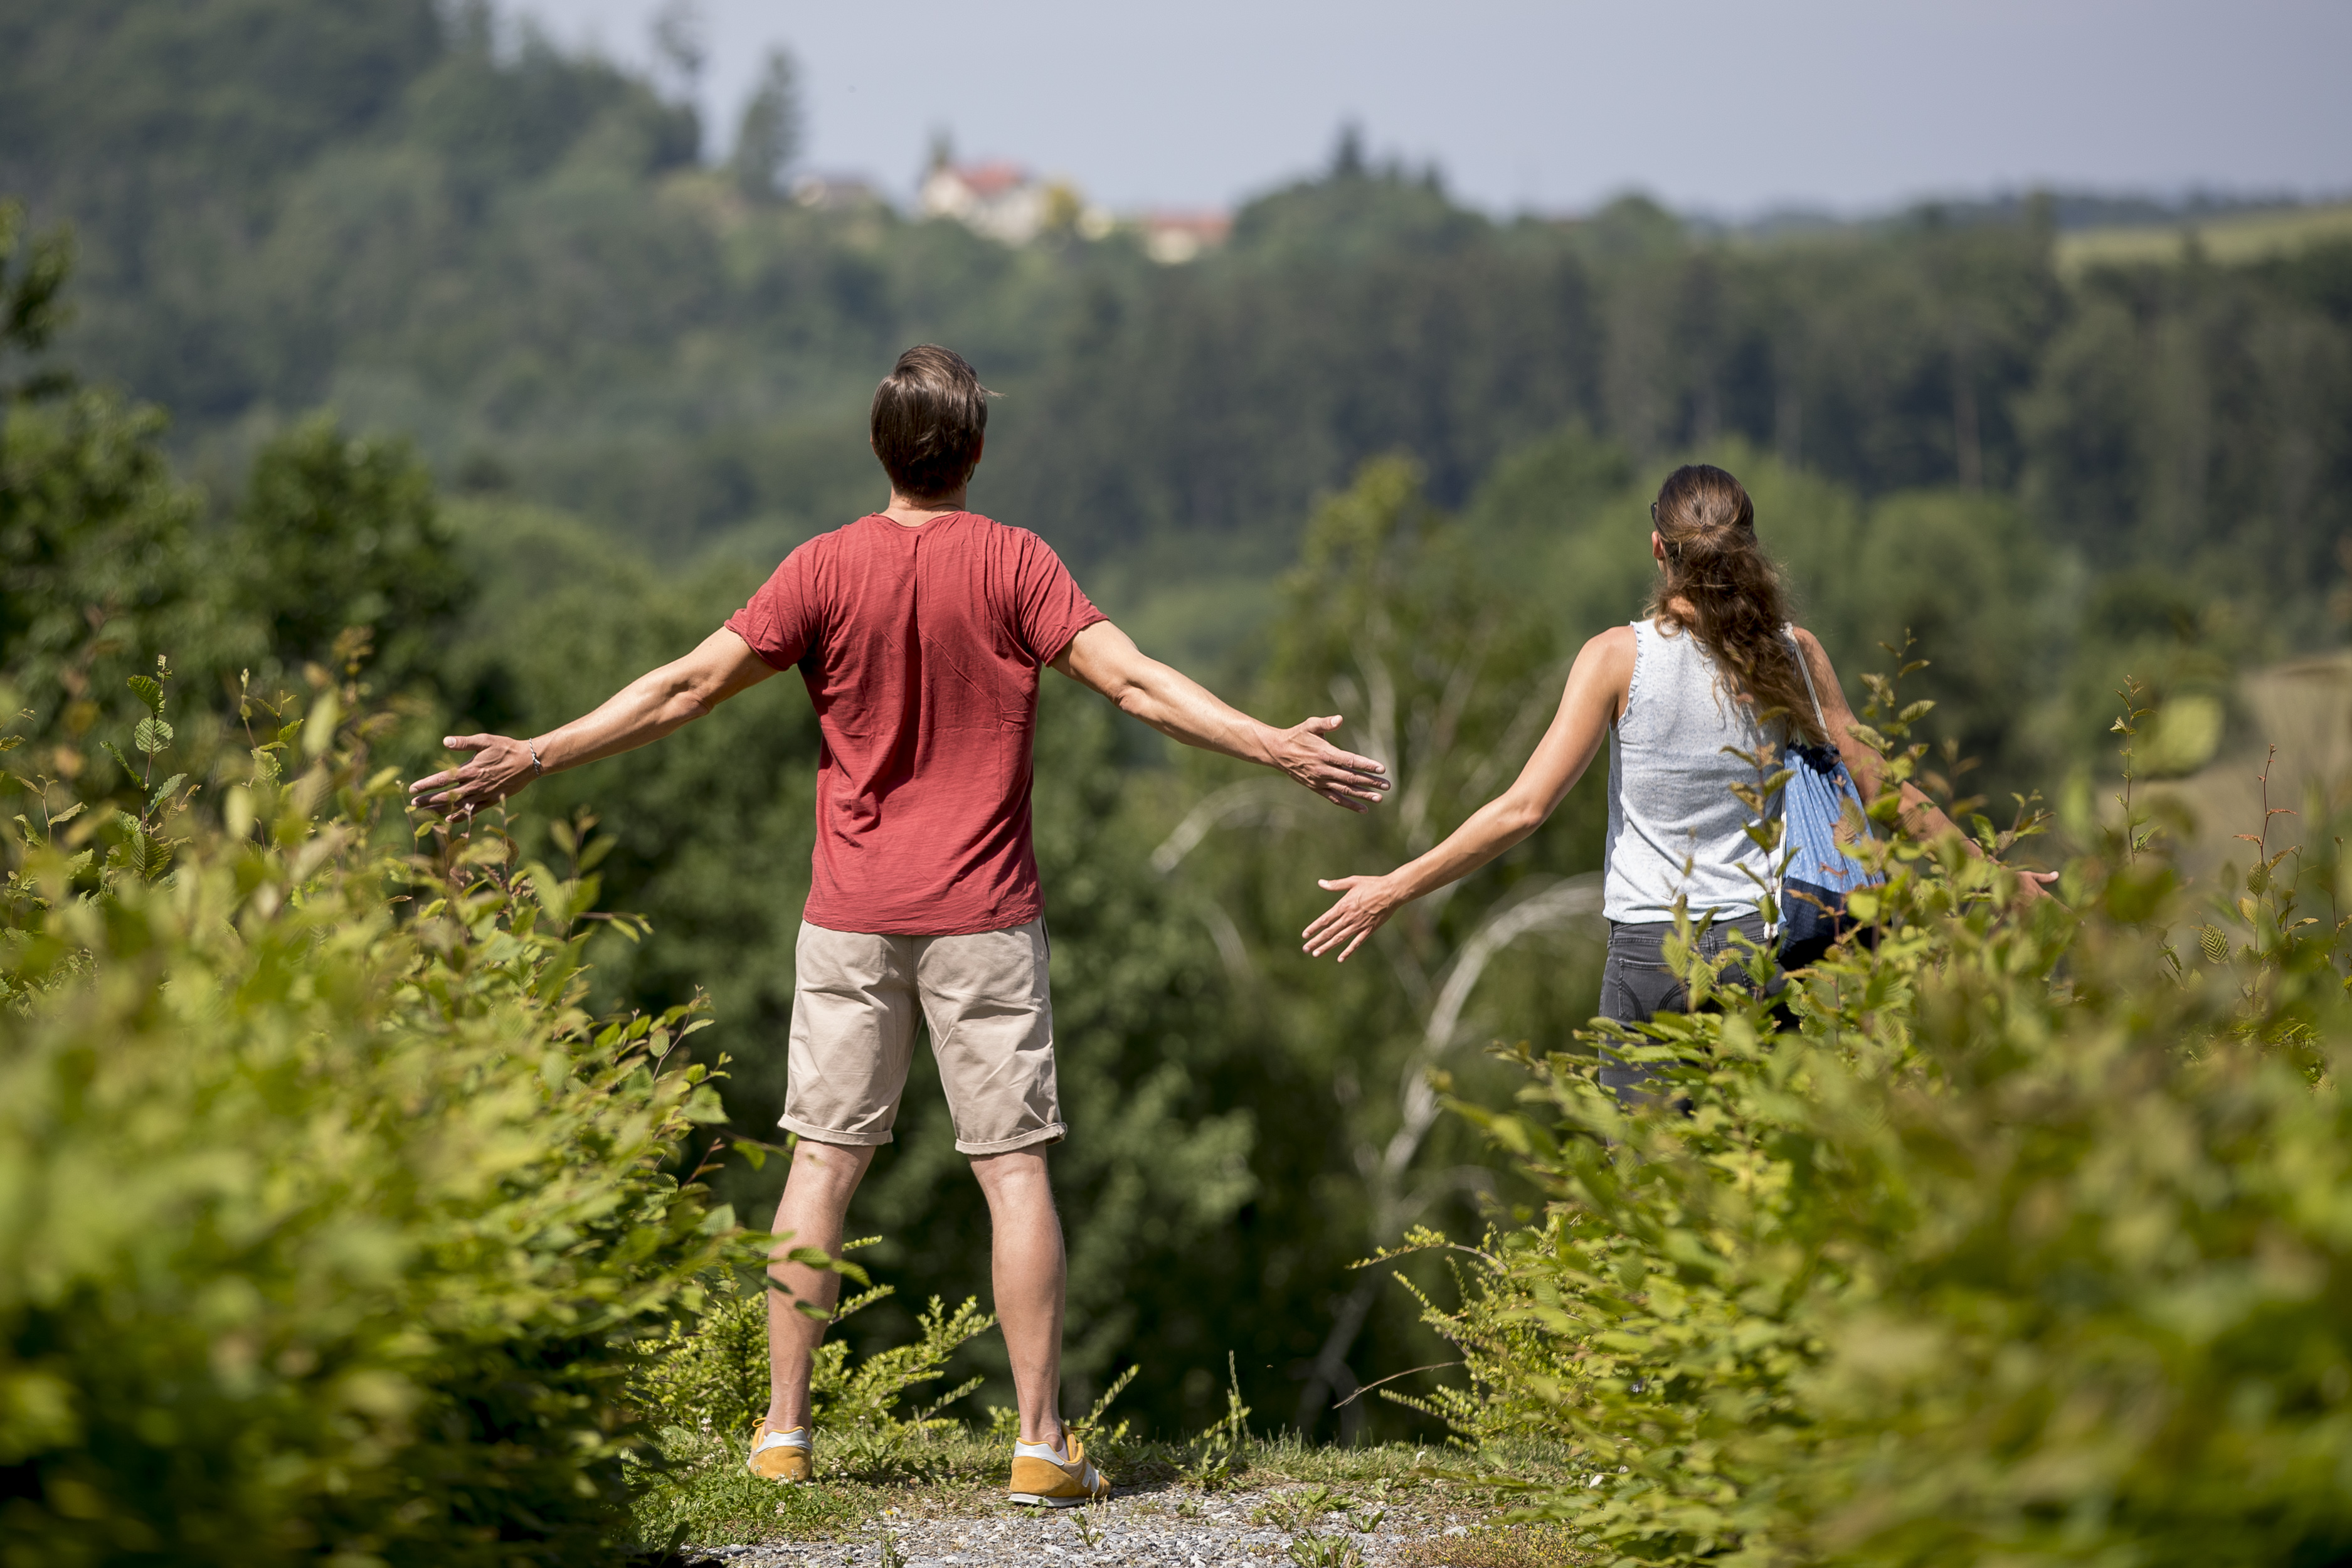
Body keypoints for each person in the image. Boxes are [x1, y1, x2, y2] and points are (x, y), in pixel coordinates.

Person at [408, 345, 1390, 1505]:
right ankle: (1038, 1443)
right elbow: (1136, 685)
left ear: (881, 450)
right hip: (983, 917)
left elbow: (681, 688)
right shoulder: (1018, 564)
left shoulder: (821, 569)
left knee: (822, 1163)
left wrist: (540, 753)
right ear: (975, 452)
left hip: (850, 918)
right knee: (1015, 1172)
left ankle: (781, 1433)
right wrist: (1271, 742)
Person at [1301, 462, 2048, 1093]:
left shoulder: (1615, 660)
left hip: (1655, 959)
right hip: (1773, 951)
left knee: (1646, 1192)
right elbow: (1885, 788)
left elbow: (1524, 810)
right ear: (1750, 551)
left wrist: (1394, 886)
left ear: (1658, 549)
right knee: (1764, 1188)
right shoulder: (1794, 653)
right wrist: (1992, 876)